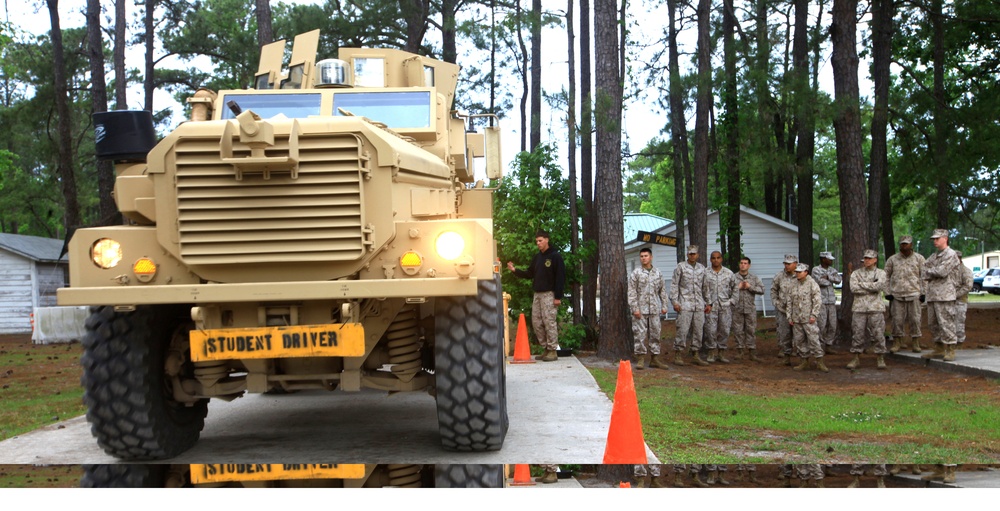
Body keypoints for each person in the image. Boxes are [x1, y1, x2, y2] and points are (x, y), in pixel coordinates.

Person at [507, 230, 566, 362]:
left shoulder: (555, 256)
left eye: (540, 241)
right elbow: (529, 273)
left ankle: (552, 350)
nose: (538, 243)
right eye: (537, 241)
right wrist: (515, 270)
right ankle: (545, 348)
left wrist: (558, 296)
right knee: (537, 322)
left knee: (549, 321)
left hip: (549, 294)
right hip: (537, 294)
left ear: (547, 240)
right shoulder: (537, 258)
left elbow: (560, 277)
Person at [922, 229, 961, 361]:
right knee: (933, 323)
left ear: (945, 238)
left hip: (945, 295)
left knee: (946, 322)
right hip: (933, 295)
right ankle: (938, 348)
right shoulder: (934, 256)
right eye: (934, 239)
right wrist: (931, 271)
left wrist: (930, 271)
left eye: (937, 239)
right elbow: (923, 269)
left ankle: (950, 349)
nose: (935, 241)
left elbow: (942, 271)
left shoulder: (951, 254)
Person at [628, 247, 670, 370]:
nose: (643, 258)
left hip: (654, 309)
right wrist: (635, 308)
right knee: (640, 334)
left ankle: (655, 359)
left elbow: (662, 290)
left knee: (655, 333)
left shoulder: (658, 273)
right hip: (640, 309)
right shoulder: (636, 273)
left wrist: (664, 305)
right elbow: (631, 292)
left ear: (651, 257)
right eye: (641, 256)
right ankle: (641, 358)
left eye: (646, 256)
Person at [847, 249, 889, 370]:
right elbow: (854, 288)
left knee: (878, 333)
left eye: (869, 258)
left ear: (875, 260)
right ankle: (855, 357)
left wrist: (863, 284)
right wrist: (871, 285)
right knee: (857, 333)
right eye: (865, 258)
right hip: (859, 308)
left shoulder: (881, 273)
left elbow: (879, 286)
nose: (866, 260)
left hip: (875, 308)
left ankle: (880, 357)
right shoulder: (856, 273)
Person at [884, 235, 926, 353]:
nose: (904, 246)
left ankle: (915, 343)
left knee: (915, 319)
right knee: (897, 320)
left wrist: (924, 293)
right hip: (897, 295)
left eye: (906, 243)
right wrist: (887, 292)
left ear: (911, 244)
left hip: (914, 294)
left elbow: (924, 277)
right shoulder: (892, 259)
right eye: (902, 243)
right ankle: (897, 342)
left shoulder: (919, 259)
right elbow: (885, 276)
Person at [670, 245, 709, 366]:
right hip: (684, 303)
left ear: (698, 255)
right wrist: (675, 302)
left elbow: (705, 287)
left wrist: (708, 302)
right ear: (687, 254)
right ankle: (678, 353)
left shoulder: (702, 268)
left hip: (698, 304)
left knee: (698, 330)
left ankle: (695, 353)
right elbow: (674, 285)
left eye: (694, 254)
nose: (692, 256)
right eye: (690, 254)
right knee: (682, 329)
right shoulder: (681, 267)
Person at [787, 263, 828, 372]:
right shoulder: (793, 284)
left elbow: (817, 301)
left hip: (808, 318)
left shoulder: (812, 283)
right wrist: (789, 316)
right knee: (799, 341)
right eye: (796, 272)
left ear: (806, 272)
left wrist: (814, 315)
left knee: (814, 340)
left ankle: (820, 361)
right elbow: (789, 301)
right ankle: (804, 362)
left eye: (800, 272)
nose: (797, 274)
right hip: (796, 318)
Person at [703, 250, 735, 363]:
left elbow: (735, 289)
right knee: (710, 330)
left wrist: (731, 301)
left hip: (725, 306)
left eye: (718, 258)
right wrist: (705, 303)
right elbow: (701, 289)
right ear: (710, 259)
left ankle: (721, 353)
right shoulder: (705, 273)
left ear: (721, 259)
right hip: (710, 306)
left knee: (725, 329)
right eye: (713, 258)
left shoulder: (729, 273)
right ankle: (711, 352)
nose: (716, 260)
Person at [731, 257, 764, 361]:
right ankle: (740, 351)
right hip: (737, 308)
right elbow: (726, 290)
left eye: (745, 263)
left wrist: (750, 287)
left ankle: (752, 352)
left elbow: (762, 290)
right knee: (738, 330)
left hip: (750, 308)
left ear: (749, 265)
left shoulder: (754, 278)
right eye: (741, 263)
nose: (743, 265)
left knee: (751, 330)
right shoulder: (733, 277)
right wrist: (738, 287)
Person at [811, 251, 842, 354]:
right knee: (821, 324)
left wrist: (828, 277)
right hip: (821, 301)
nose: (831, 260)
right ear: (823, 259)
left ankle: (829, 345)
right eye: (829, 259)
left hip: (831, 301)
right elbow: (821, 282)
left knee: (832, 324)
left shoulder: (832, 270)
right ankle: (819, 346)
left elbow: (838, 280)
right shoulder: (816, 269)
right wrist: (830, 280)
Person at [770, 254, 799, 366]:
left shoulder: (799, 275)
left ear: (795, 264)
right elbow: (773, 290)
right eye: (785, 263)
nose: (787, 266)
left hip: (797, 310)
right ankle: (784, 350)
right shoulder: (779, 276)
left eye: (789, 264)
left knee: (798, 331)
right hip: (782, 309)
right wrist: (776, 303)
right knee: (783, 331)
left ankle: (797, 349)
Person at [953, 251, 974, 347]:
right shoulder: (950, 271)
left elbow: (967, 286)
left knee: (959, 321)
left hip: (960, 300)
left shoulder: (966, 271)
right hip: (948, 300)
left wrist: (955, 295)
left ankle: (960, 341)